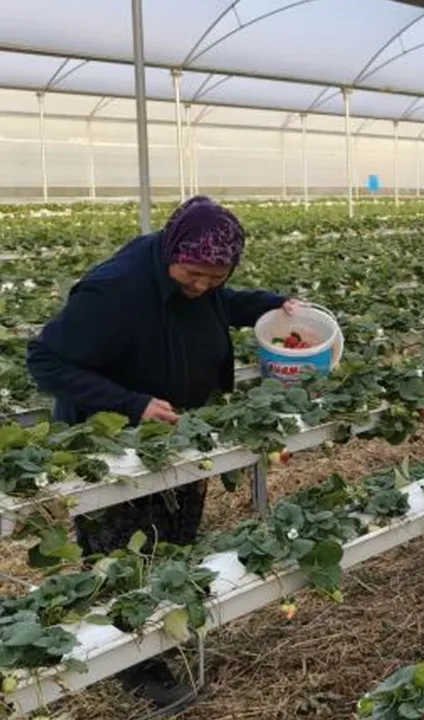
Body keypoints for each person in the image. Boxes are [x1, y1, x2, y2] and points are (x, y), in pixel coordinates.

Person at [27, 196, 297, 713]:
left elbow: (224, 302)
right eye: (193, 274)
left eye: (214, 277)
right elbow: (45, 361)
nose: (200, 285)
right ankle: (136, 664)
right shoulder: (114, 291)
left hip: (175, 434)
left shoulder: (201, 280)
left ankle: (163, 631)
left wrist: (275, 303)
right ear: (173, 250)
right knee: (121, 555)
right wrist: (131, 403)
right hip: (112, 443)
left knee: (172, 543)